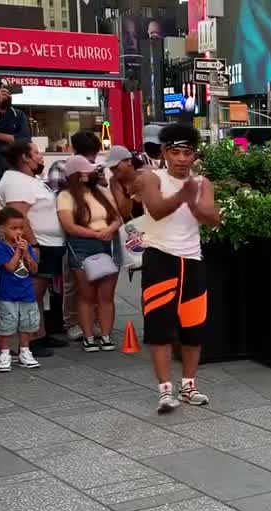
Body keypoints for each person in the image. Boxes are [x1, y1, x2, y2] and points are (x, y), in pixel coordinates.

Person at [137, 124, 220, 413]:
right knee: (159, 328)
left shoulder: (203, 182)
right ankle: (164, 391)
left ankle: (189, 386)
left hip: (192, 260)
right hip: (160, 257)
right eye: (175, 152)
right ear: (164, 153)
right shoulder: (151, 177)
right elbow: (157, 209)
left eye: (187, 153)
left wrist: (195, 202)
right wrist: (184, 194)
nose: (182, 159)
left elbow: (213, 218)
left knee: (193, 328)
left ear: (195, 155)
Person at [0, 139, 66, 356]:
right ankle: (29, 341)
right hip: (39, 244)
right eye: (35, 152)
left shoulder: (29, 180)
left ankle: (41, 333)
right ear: (25, 157)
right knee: (32, 293)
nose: (40, 156)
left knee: (41, 292)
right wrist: (32, 244)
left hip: (49, 243)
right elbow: (19, 217)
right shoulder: (17, 181)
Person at [57, 155, 122, 352]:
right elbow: (69, 225)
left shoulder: (102, 192)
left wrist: (108, 230)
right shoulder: (65, 196)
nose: (89, 173)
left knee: (106, 295)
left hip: (107, 243)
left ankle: (105, 334)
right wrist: (96, 234)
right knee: (86, 294)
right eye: (85, 170)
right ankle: (88, 336)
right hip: (82, 245)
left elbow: (117, 217)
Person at [0, 207, 42, 372]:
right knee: (6, 324)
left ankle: (25, 351)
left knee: (27, 323)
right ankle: (5, 353)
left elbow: (34, 270)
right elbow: (11, 267)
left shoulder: (26, 247)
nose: (18, 232)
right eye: (13, 228)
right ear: (3, 228)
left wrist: (27, 254)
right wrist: (18, 251)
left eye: (21, 228)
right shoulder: (0, 247)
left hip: (26, 292)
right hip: (8, 294)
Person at [106, 146, 144, 221]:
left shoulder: (145, 175)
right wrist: (131, 192)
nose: (113, 170)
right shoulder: (115, 181)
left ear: (129, 161)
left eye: (115, 166)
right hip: (133, 227)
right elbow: (125, 214)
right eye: (111, 167)